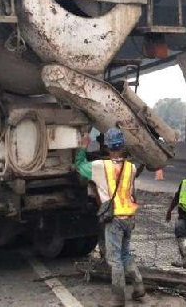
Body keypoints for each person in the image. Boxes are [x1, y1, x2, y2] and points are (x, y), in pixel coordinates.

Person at [75, 128, 145, 307]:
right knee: (125, 254)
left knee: (114, 259)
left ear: (107, 147)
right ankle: (138, 287)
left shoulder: (100, 166)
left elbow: (79, 166)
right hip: (129, 217)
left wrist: (83, 147)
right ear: (123, 146)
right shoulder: (132, 167)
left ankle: (118, 298)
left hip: (114, 219)